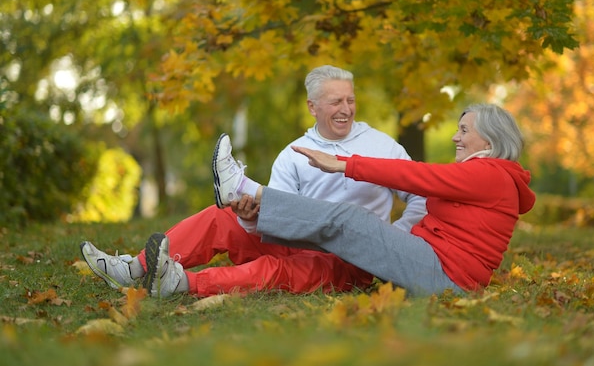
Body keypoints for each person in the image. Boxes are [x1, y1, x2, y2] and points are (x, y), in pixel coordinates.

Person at [80, 65, 426, 298]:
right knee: (223, 217)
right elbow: (281, 221)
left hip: (353, 259)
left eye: (351, 100)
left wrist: (398, 236)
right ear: (312, 106)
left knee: (276, 268)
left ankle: (183, 282)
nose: (346, 109)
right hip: (303, 241)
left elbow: (420, 198)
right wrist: (249, 216)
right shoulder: (293, 153)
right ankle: (135, 269)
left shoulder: (381, 145)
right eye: (336, 101)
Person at [197, 103, 536, 296]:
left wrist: (345, 164)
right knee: (344, 235)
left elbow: (418, 177)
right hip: (434, 265)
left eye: (463, 130)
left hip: (447, 278)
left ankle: (244, 188)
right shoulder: (490, 174)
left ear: (490, 137)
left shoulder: (492, 174)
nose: (454, 136)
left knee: (350, 221)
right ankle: (172, 272)